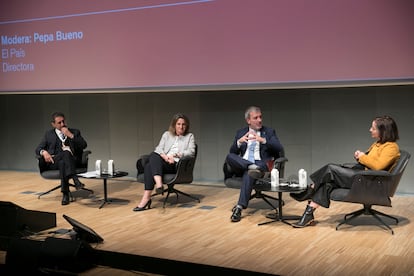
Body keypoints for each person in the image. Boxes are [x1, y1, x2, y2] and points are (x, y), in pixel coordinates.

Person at [291, 115, 400, 228]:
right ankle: (308, 214)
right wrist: (360, 156)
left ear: (383, 130)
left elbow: (378, 166)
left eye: (373, 128)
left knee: (330, 168)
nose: (370, 130)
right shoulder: (378, 143)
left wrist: (363, 156)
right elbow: (370, 160)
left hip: (369, 181)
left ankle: (311, 189)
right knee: (327, 183)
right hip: (363, 176)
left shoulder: (391, 147)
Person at [226, 106, 284, 222]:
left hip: (260, 164)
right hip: (243, 164)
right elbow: (233, 152)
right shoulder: (241, 133)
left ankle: (239, 207)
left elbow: (279, 148)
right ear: (248, 120)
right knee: (229, 156)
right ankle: (250, 166)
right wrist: (238, 142)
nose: (259, 120)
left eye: (260, 117)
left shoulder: (268, 132)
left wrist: (263, 140)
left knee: (250, 173)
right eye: (255, 118)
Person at [133, 113, 196, 212]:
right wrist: (165, 157)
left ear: (186, 126)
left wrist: (175, 155)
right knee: (154, 156)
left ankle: (146, 199)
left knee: (150, 163)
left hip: (175, 164)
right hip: (163, 161)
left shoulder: (189, 136)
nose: (181, 126)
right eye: (179, 124)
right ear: (174, 125)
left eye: (184, 124)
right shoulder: (167, 134)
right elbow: (159, 148)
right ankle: (157, 186)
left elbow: (191, 152)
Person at [35, 112, 88, 205]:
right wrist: (43, 152)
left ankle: (65, 194)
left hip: (73, 161)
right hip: (53, 162)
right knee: (64, 155)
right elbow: (38, 149)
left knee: (64, 160)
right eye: (59, 123)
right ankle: (76, 180)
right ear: (53, 124)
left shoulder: (75, 132)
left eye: (63, 121)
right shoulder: (48, 134)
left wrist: (70, 135)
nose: (62, 124)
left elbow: (84, 145)